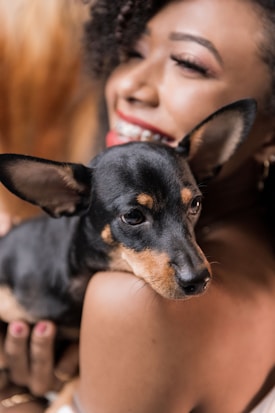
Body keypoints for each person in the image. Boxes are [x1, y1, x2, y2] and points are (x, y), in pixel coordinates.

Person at [1, 0, 275, 412]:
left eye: (188, 63)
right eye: (133, 53)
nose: (129, 84)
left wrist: (17, 398)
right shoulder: (262, 254)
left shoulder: (132, 300)